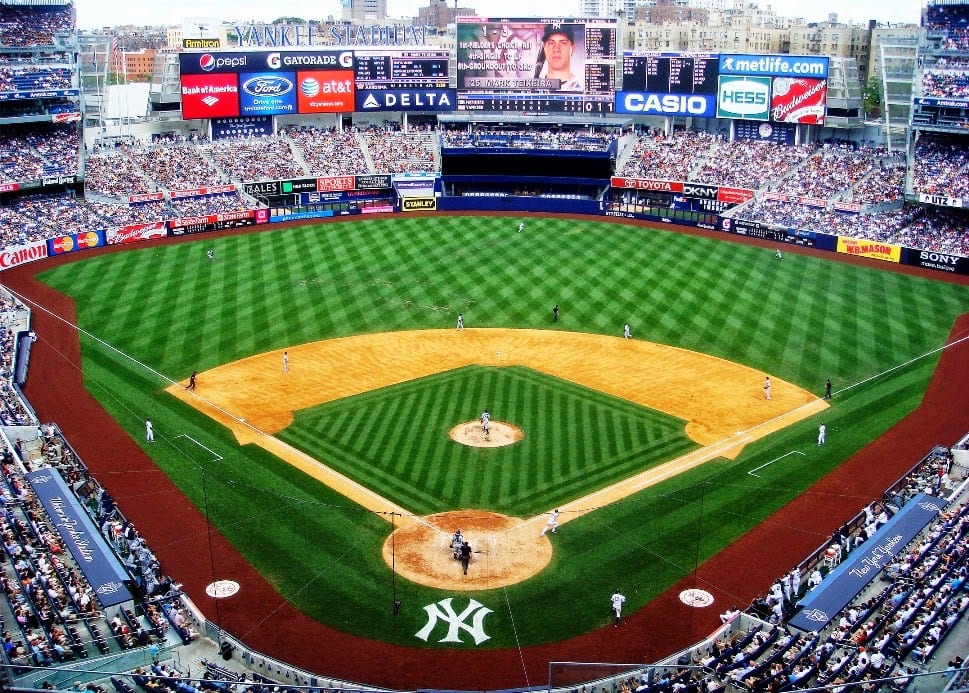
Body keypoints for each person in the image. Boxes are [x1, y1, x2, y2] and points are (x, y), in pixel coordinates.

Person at [536, 24, 582, 91]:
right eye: (551, 43)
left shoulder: (583, 88)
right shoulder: (534, 88)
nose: (556, 49)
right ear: (544, 48)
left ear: (572, 48)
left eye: (563, 43)